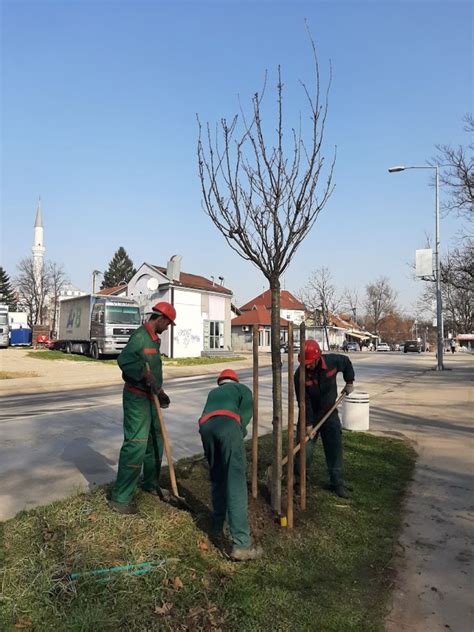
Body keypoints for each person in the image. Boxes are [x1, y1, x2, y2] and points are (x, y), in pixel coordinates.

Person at [108, 301, 176, 515]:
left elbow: (153, 373)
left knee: (156, 440)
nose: (168, 327)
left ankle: (150, 482)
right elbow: (124, 361)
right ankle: (120, 498)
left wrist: (160, 392)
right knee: (136, 444)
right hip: (137, 398)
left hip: (151, 397)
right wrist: (142, 374)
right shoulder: (140, 337)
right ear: (161, 319)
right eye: (168, 323)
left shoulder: (154, 340)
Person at [199, 369, 263, 561]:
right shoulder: (241, 389)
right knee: (235, 482)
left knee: (218, 477)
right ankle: (242, 544)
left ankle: (218, 526)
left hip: (205, 427)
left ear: (220, 382)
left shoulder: (213, 393)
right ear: (234, 381)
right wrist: (237, 434)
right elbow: (244, 418)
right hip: (228, 426)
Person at [294, 339, 355, 498]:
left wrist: (349, 382)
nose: (306, 366)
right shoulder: (299, 376)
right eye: (304, 362)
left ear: (317, 358)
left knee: (334, 447)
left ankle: (337, 483)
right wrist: (307, 424)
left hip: (330, 412)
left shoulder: (332, 361)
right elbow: (303, 402)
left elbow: (347, 363)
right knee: (303, 449)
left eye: (309, 362)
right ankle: (300, 482)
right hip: (310, 414)